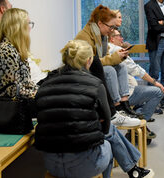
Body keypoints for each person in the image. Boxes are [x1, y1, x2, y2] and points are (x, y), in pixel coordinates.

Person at [35, 40, 154, 178]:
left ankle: (133, 169)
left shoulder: (44, 86)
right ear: (89, 61)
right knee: (108, 134)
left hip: (52, 163)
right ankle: (133, 169)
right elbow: (105, 126)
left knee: (107, 130)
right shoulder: (95, 85)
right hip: (84, 165)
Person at [75, 5, 140, 125]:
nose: (112, 30)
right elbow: (93, 63)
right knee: (109, 70)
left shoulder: (100, 35)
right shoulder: (85, 37)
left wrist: (117, 56)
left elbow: (101, 58)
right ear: (100, 23)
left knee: (121, 66)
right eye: (111, 27)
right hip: (85, 72)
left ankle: (124, 104)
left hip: (95, 68)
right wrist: (114, 58)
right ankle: (115, 109)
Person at [0, 8, 38, 100]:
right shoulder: (6, 51)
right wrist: (36, 93)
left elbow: (26, 83)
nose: (30, 27)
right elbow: (11, 90)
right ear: (19, 27)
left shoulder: (15, 49)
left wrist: (42, 90)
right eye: (28, 23)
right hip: (5, 108)